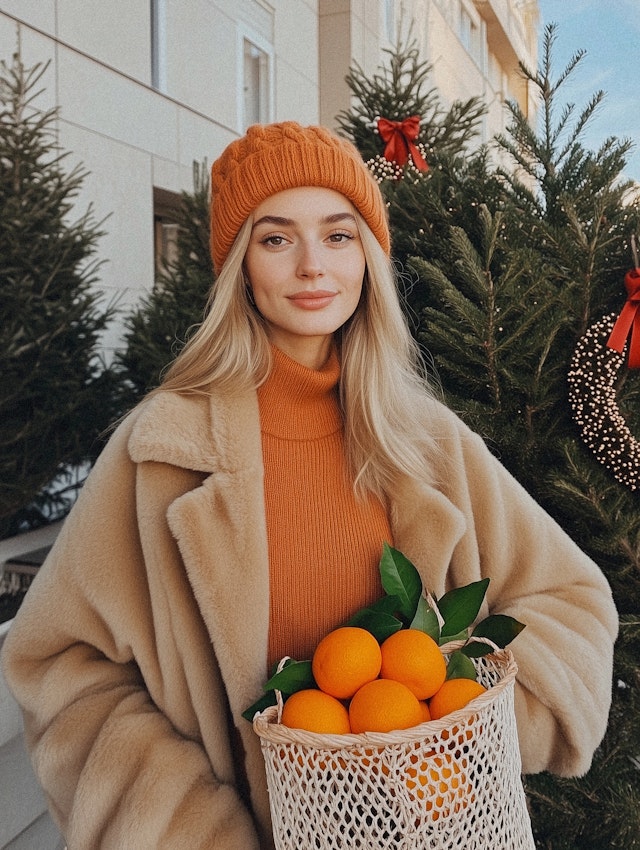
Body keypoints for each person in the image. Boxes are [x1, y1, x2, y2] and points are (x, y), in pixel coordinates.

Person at [2, 122, 618, 849]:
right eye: (275, 238)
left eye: (337, 235)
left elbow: (572, 602)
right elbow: (64, 665)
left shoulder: (426, 439)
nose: (310, 267)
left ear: (368, 257)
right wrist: (189, 833)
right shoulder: (163, 450)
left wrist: (464, 732)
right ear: (240, 265)